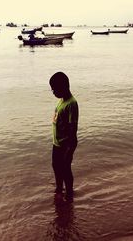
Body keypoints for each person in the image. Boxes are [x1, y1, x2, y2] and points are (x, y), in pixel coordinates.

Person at [49, 72, 79, 201]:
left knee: (66, 168)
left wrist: (70, 149)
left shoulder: (71, 104)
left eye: (55, 89)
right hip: (57, 143)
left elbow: (73, 127)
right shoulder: (61, 101)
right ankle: (59, 188)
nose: (53, 92)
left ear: (64, 87)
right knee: (56, 165)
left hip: (66, 144)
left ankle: (69, 193)